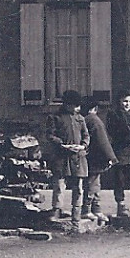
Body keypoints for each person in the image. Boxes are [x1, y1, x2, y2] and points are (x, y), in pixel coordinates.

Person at [45, 90, 90, 221]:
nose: (77, 108)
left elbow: (86, 135)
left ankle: (76, 211)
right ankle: (57, 210)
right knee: (59, 184)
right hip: (61, 156)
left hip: (78, 156)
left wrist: (83, 145)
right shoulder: (55, 117)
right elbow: (50, 135)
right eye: (74, 105)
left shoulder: (80, 119)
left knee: (78, 186)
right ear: (66, 104)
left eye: (78, 106)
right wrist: (61, 144)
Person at [106, 92, 130, 217]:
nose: (127, 104)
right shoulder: (114, 115)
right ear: (119, 101)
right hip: (121, 150)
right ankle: (121, 205)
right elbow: (113, 131)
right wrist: (129, 131)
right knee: (120, 179)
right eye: (125, 101)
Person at [82, 98, 116, 221]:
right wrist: (110, 157)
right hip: (96, 157)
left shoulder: (83, 119)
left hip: (87, 156)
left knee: (92, 183)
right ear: (95, 109)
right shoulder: (94, 120)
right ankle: (88, 209)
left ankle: (95, 209)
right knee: (93, 184)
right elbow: (103, 141)